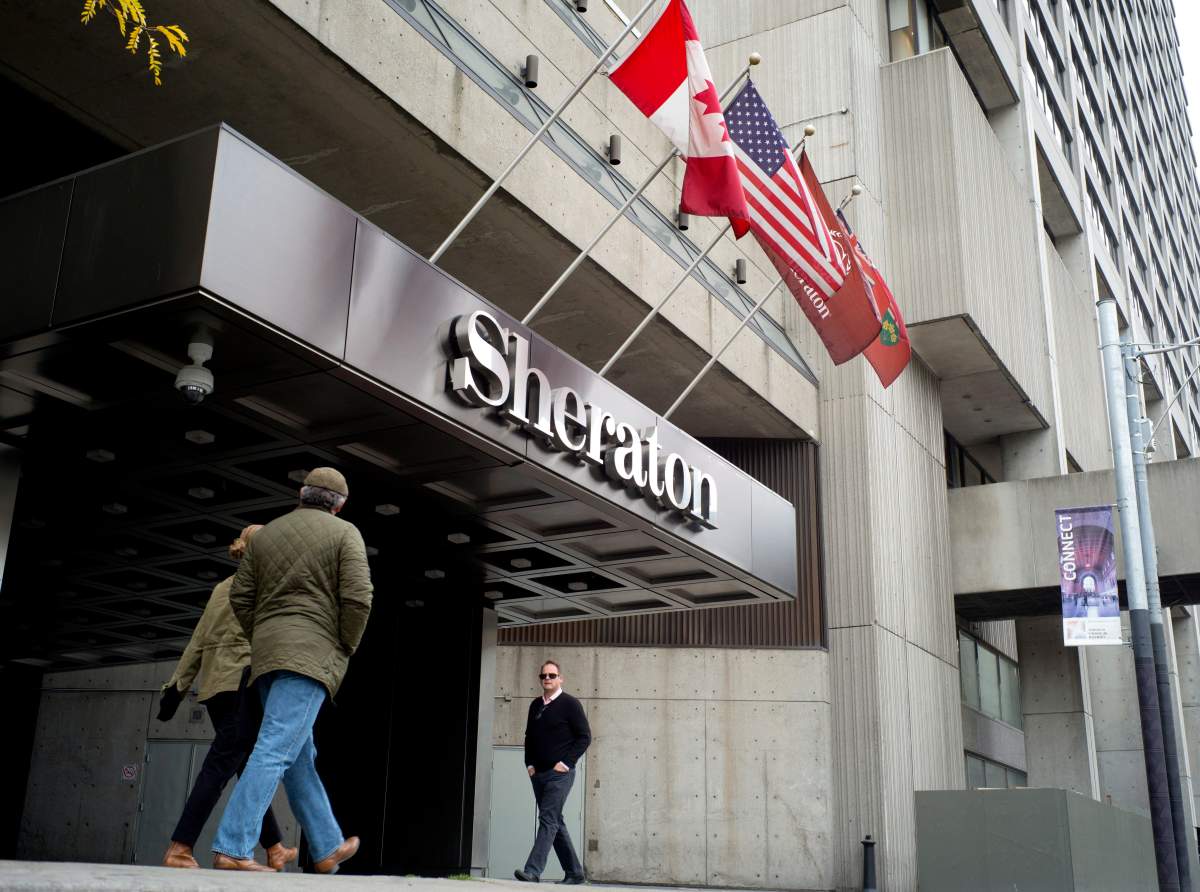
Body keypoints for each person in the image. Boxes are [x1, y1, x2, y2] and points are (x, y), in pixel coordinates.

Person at [211, 467, 374, 874]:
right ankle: (232, 846)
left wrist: (264, 636)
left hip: (268, 656)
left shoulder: (265, 535)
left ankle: (325, 846)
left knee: (299, 753)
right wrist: (345, 645)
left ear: (302, 495)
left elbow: (241, 596)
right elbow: (358, 599)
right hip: (310, 655)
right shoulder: (345, 533)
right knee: (275, 748)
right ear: (340, 504)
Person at [158, 524, 298, 872]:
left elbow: (198, 640)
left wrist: (176, 687)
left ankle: (275, 847)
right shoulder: (263, 587)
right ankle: (181, 846)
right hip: (241, 684)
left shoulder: (222, 588)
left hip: (216, 687)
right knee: (221, 765)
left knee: (244, 765)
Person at [514, 659, 591, 885]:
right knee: (555, 821)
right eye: (544, 676)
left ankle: (533, 871)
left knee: (547, 819)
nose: (547, 679)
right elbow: (529, 737)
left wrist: (566, 763)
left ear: (560, 678)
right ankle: (575, 872)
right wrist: (529, 764)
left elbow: (584, 737)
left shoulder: (570, 704)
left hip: (560, 774)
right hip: (538, 774)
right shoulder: (535, 705)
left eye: (552, 675)